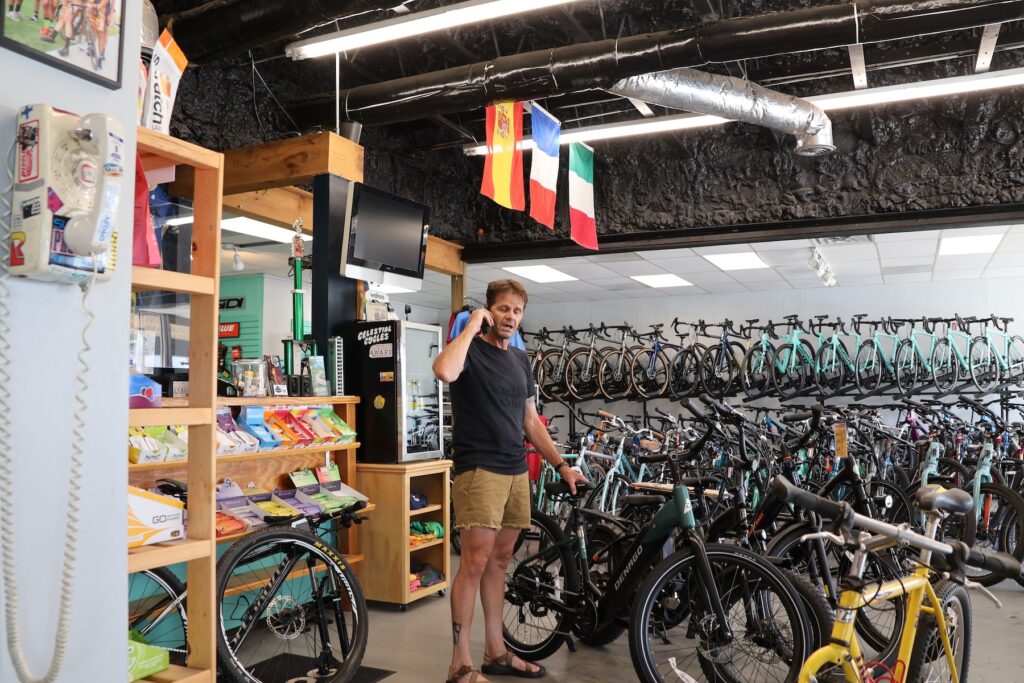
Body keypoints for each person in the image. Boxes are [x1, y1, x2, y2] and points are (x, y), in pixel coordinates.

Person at [433, 279, 586, 683]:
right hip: (479, 468)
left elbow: (530, 421)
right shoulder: (469, 350)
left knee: (500, 562)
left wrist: (561, 465)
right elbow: (444, 371)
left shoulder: (520, 360)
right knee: (474, 563)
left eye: (517, 311)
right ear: (488, 310)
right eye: (503, 308)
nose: (511, 317)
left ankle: (496, 652)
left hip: (516, 469)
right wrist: (470, 326)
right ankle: (459, 664)